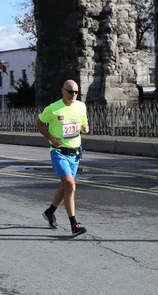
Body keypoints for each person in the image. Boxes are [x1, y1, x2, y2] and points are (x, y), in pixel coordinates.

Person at [36, 79, 90, 237]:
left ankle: (50, 212)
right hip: (59, 152)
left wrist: (85, 128)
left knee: (66, 186)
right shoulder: (53, 109)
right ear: (63, 91)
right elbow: (39, 123)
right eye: (70, 91)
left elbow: (83, 126)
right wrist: (50, 138)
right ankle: (74, 224)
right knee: (70, 185)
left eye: (76, 92)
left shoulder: (81, 106)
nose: (73, 95)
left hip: (75, 153)